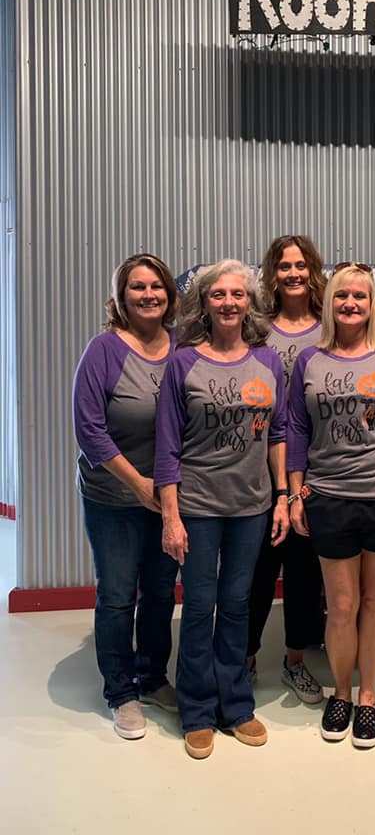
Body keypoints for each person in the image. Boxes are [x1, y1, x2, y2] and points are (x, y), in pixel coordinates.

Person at [287, 263, 375, 748]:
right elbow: (297, 430)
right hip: (328, 497)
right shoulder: (309, 361)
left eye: (360, 296)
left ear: (372, 305)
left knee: (374, 601)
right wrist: (295, 494)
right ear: (330, 303)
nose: (350, 303)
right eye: (341, 295)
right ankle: (342, 693)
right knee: (341, 605)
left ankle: (368, 696)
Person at [154, 259, 289, 760]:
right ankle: (195, 709)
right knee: (198, 607)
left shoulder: (269, 362)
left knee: (237, 605)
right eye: (219, 295)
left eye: (238, 294)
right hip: (198, 507)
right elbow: (168, 446)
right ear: (204, 304)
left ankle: (235, 705)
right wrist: (171, 516)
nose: (229, 303)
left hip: (251, 507)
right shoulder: (183, 364)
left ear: (250, 303)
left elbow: (278, 433)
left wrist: (281, 497)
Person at [72, 252, 180, 741]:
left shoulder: (182, 346)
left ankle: (152, 679)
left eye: (156, 286)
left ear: (169, 295)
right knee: (117, 595)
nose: (148, 295)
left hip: (168, 499)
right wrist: (138, 483)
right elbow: (90, 431)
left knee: (160, 592)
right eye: (138, 286)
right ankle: (120, 690)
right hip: (113, 498)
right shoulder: (103, 350)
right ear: (121, 296)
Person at [247, 236, 327, 704]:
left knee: (304, 573)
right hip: (259, 470)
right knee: (256, 571)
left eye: (300, 265)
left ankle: (295, 661)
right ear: (272, 274)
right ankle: (245, 658)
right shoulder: (257, 330)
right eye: (284, 266)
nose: (293, 274)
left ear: (312, 271)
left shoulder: (329, 328)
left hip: (317, 472)